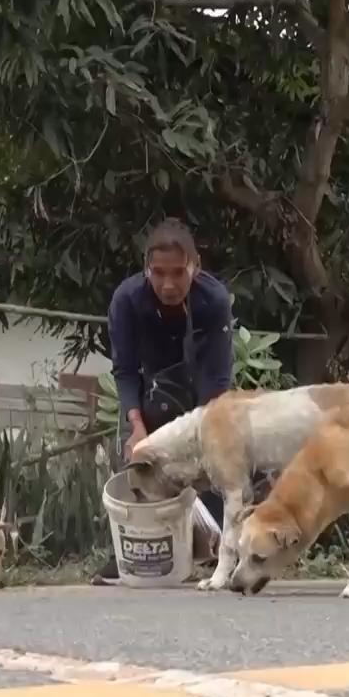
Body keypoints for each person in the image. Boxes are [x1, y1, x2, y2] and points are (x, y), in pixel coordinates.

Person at [93, 217, 234, 585]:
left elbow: (218, 377)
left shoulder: (213, 300)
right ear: (146, 270)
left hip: (201, 392)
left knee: (211, 462)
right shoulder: (127, 300)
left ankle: (216, 549)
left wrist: (202, 434)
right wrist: (136, 428)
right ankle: (133, 552)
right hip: (151, 393)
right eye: (158, 273)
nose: (168, 284)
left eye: (178, 273)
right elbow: (124, 370)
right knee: (141, 462)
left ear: (195, 267)